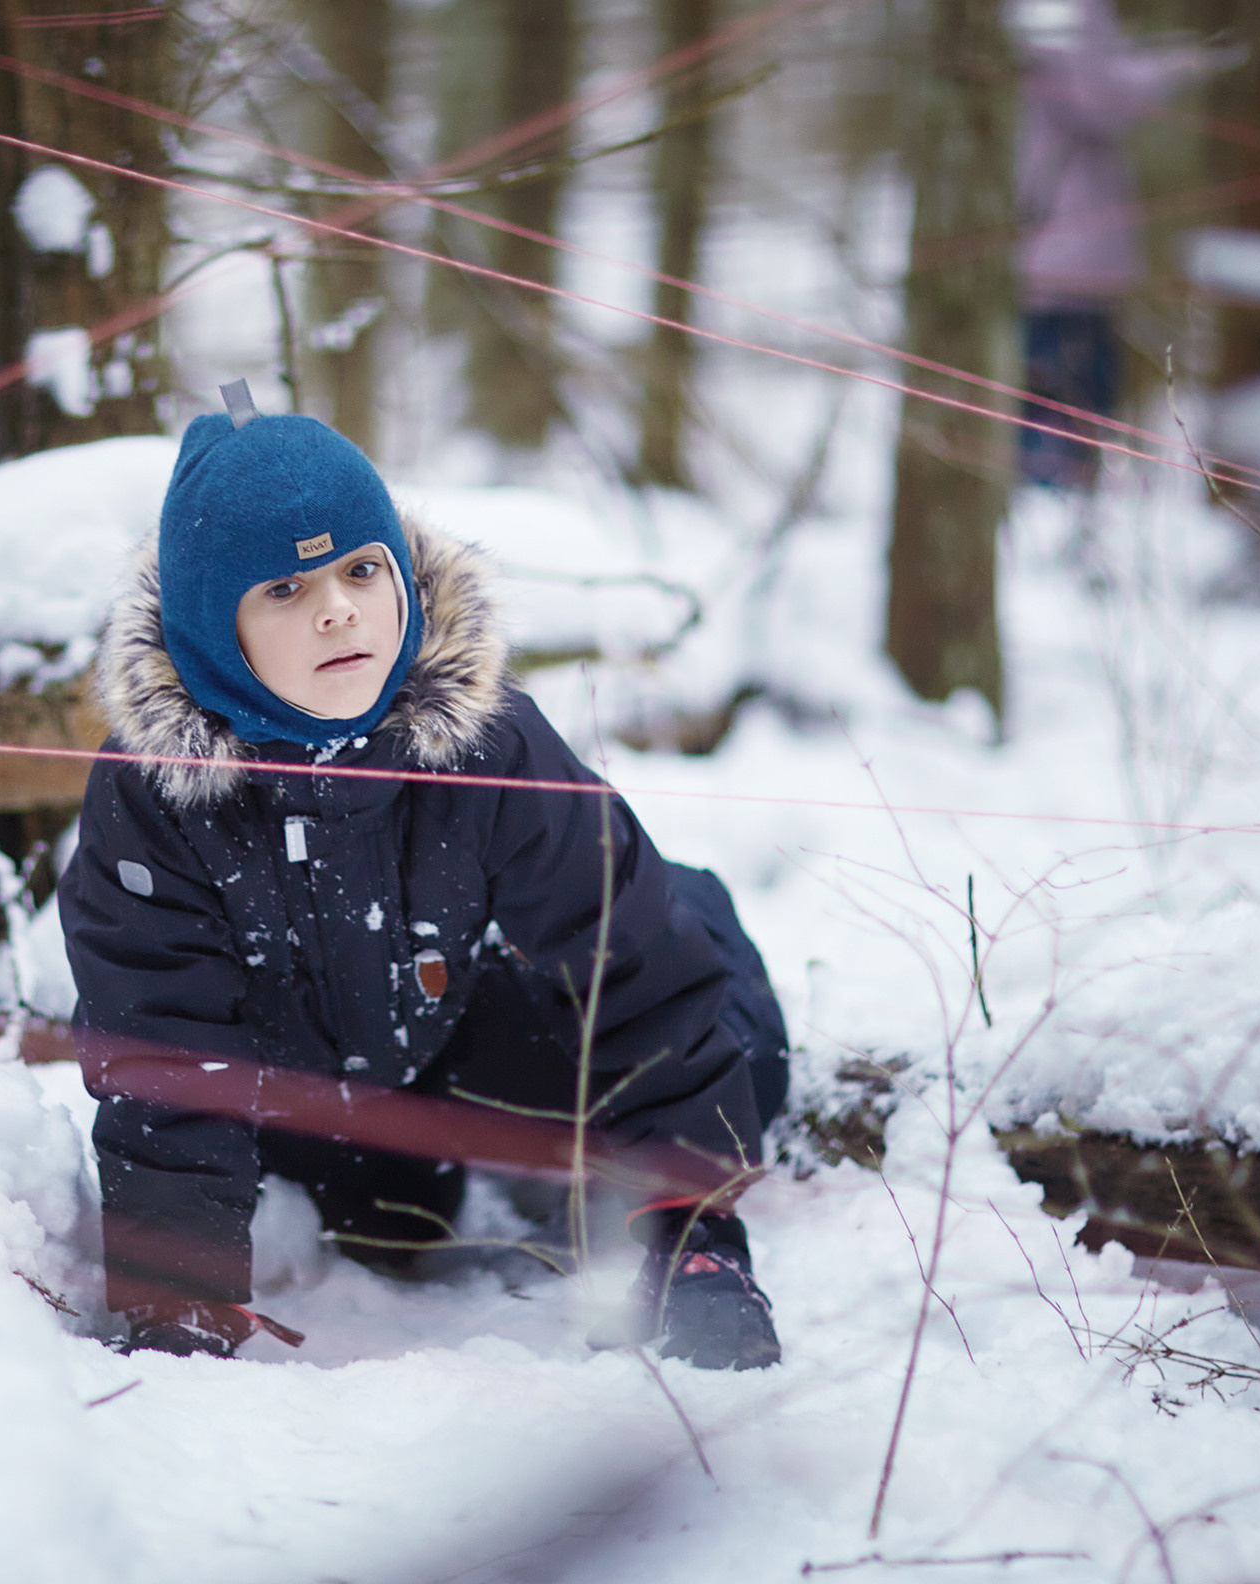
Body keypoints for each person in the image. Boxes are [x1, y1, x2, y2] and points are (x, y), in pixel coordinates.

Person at [59, 390, 791, 1370]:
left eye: (363, 569)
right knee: (393, 1224)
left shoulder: (487, 743)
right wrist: (180, 1311)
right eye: (283, 589)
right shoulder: (157, 798)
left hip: (449, 1029)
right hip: (298, 1097)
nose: (338, 608)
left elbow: (635, 967)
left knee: (727, 1019)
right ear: (206, 629)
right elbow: (166, 1060)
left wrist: (693, 1234)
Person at [1012, 0, 1232, 488]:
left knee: (1072, 412)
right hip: (1062, 257)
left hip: (1062, 253)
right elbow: (1095, 100)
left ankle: (1065, 516)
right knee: (1061, 418)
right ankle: (1058, 527)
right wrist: (1171, 68)